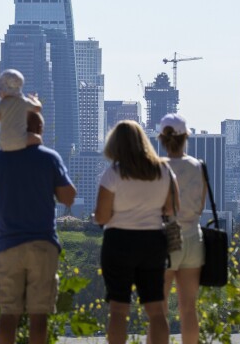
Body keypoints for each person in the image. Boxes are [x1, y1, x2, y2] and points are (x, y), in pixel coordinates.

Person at [0, 112, 76, 344]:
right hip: (42, 243)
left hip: (9, 244)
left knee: (8, 314)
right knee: (38, 316)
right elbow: (68, 196)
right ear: (39, 130)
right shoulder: (50, 158)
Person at [93, 120, 178, 344]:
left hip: (119, 240)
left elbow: (101, 216)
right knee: (156, 310)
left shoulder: (112, 174)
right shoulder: (163, 170)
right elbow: (171, 209)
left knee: (119, 310)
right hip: (153, 241)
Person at [156, 114, 205, 344]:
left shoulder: (157, 167)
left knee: (159, 308)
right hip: (193, 237)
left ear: (162, 139)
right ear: (186, 137)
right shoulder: (197, 166)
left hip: (166, 237)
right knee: (188, 308)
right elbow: (201, 205)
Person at [0, 68, 42, 151]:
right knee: (37, 139)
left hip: (4, 144)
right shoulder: (23, 102)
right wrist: (35, 100)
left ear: (5, 91)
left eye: (0, 90)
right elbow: (38, 108)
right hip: (21, 141)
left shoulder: (1, 104)